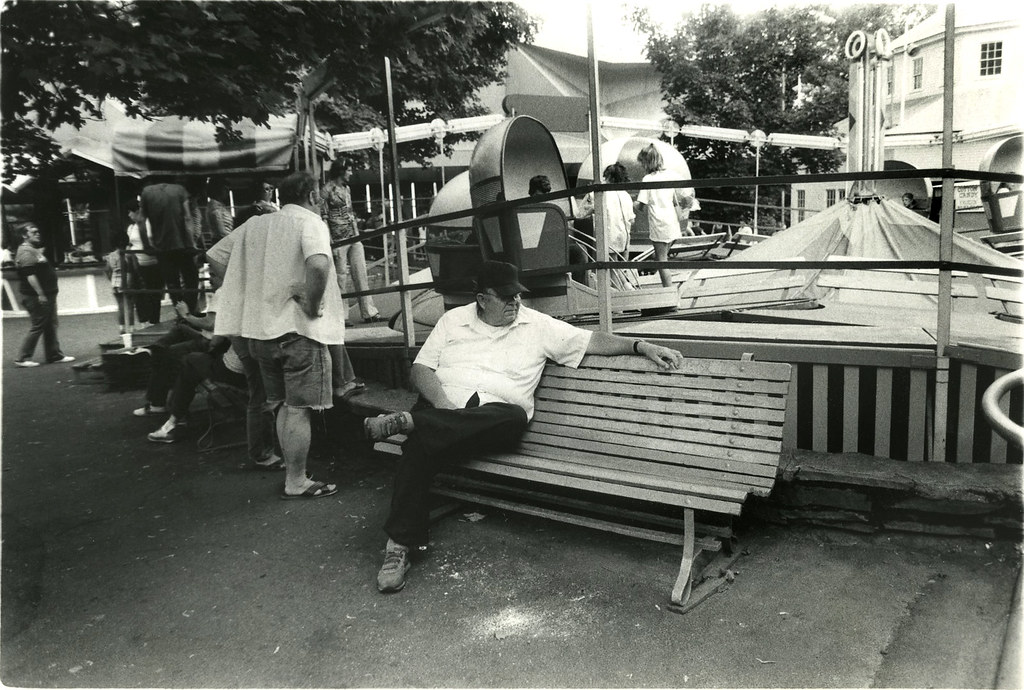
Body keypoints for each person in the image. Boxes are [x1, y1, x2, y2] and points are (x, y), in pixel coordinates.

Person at [364, 260, 685, 593]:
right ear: (482, 298)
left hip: (492, 425)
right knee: (421, 447)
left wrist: (641, 346)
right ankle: (397, 549)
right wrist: (446, 410)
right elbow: (421, 371)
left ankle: (412, 425)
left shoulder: (537, 325)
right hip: (442, 408)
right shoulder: (452, 321)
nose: (514, 303)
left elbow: (592, 341)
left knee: (513, 416)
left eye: (517, 296)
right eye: (504, 297)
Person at [207, 171, 345, 500]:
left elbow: (215, 257)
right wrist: (311, 304)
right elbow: (318, 264)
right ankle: (296, 479)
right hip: (297, 329)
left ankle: (292, 472)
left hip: (261, 332)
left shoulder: (256, 225)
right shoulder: (308, 222)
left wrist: (246, 290)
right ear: (311, 196)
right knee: (298, 408)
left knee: (282, 403)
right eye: (319, 195)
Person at [145, 337, 280, 473]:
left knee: (188, 361)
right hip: (255, 366)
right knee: (190, 363)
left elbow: (215, 339)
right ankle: (173, 419)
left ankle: (172, 420)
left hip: (236, 369)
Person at [321, 159, 382, 324]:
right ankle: (342, 315)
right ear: (341, 171)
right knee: (341, 276)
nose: (351, 173)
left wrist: (357, 234)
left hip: (353, 236)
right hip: (338, 238)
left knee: (360, 272)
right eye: (348, 170)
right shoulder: (327, 190)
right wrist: (330, 241)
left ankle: (369, 311)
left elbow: (349, 211)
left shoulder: (346, 188)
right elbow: (324, 216)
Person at [132, 300, 217, 417]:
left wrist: (186, 315)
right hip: (208, 338)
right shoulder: (225, 291)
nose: (211, 280)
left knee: (164, 356)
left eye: (214, 279)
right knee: (180, 328)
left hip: (212, 343)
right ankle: (153, 350)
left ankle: (157, 404)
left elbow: (210, 324)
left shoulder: (222, 292)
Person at [13, 222, 75, 367]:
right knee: (39, 325)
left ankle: (54, 354)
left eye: (38, 231)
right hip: (36, 296)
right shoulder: (26, 252)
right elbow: (30, 275)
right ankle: (22, 358)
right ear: (24, 235)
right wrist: (40, 294)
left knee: (50, 324)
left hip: (46, 294)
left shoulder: (32, 250)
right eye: (33, 232)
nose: (37, 234)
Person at [139, 176, 201, 315]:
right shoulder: (179, 190)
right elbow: (187, 218)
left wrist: (146, 245)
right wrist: (191, 244)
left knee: (173, 284)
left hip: (162, 247)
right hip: (182, 245)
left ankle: (181, 315)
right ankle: (189, 312)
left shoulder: (146, 192)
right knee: (191, 280)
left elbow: (141, 221)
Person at [634, 144, 694, 287]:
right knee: (662, 258)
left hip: (658, 223)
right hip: (672, 223)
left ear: (647, 162)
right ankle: (668, 288)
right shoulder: (670, 175)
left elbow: (640, 206)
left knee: (661, 261)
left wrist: (628, 201)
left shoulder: (648, 179)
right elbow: (684, 195)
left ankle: (669, 292)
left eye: (642, 163)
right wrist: (685, 206)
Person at [527, 174, 589, 284]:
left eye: (546, 195)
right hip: (535, 253)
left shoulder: (550, 209)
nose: (542, 200)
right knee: (577, 252)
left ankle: (579, 285)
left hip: (550, 249)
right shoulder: (526, 209)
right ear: (532, 193)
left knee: (579, 249)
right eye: (539, 195)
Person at [579, 163, 635, 256]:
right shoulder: (626, 195)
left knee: (608, 265)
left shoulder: (598, 193)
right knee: (621, 266)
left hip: (607, 237)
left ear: (608, 177)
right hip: (624, 238)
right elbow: (632, 220)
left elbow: (581, 213)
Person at [125, 201, 163, 326]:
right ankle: (145, 320)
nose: (129, 215)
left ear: (136, 211)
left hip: (154, 262)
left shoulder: (149, 224)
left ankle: (154, 320)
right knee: (142, 292)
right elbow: (131, 243)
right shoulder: (132, 227)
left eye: (130, 212)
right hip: (138, 263)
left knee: (154, 292)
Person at [103, 231, 131, 334]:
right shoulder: (128, 254)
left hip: (115, 281)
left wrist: (111, 279)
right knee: (129, 305)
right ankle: (131, 328)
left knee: (120, 306)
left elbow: (107, 269)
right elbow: (130, 268)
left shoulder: (111, 255)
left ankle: (121, 328)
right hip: (126, 280)